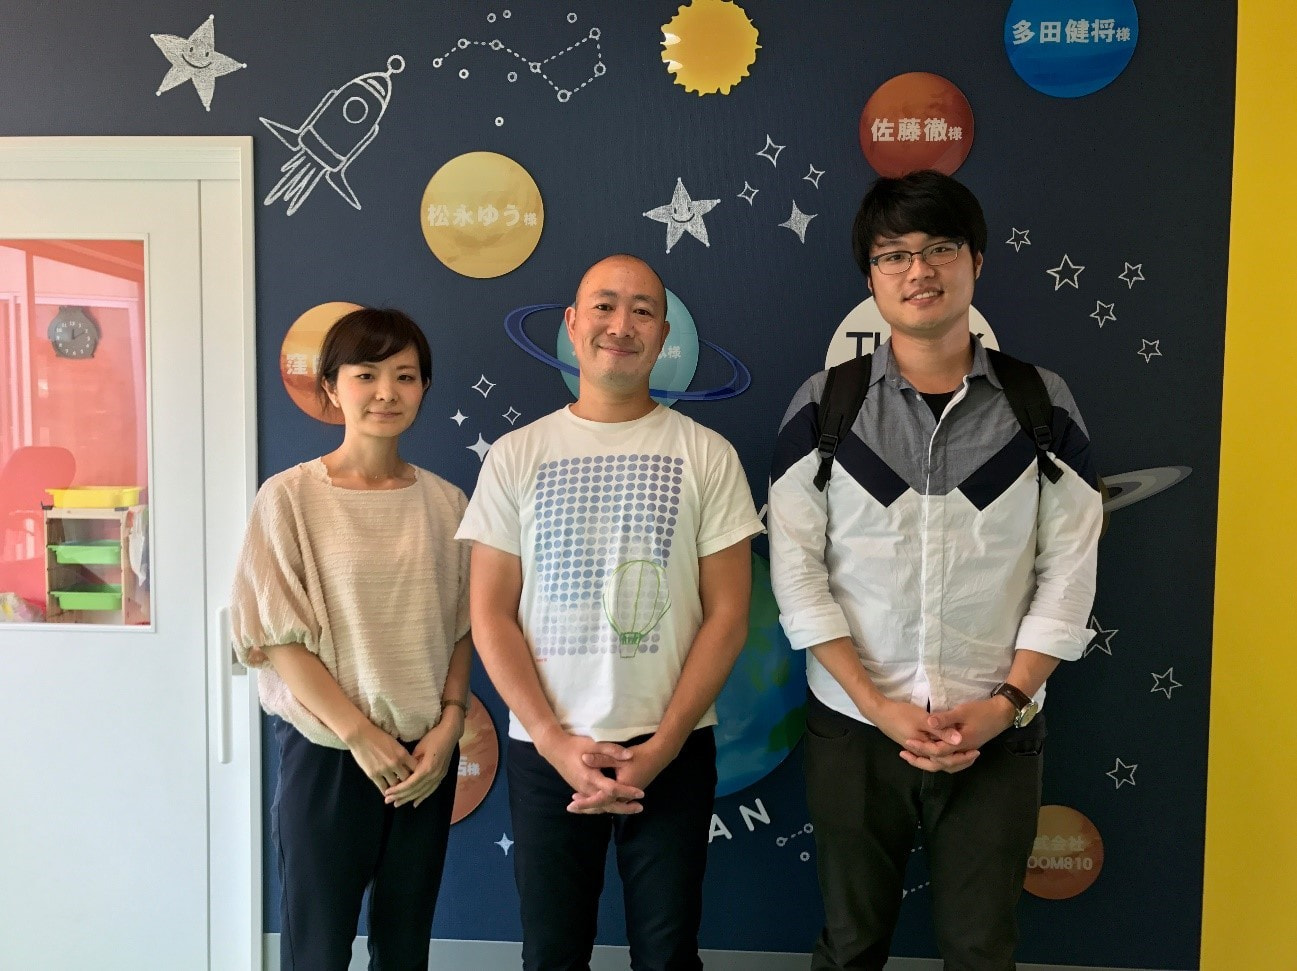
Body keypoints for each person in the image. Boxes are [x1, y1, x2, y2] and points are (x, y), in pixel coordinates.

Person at [768, 171, 1102, 970]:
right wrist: (873, 703)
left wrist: (1004, 704)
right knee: (850, 944)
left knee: (981, 948)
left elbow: (1068, 569)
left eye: (939, 248)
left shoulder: (1040, 403)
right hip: (853, 725)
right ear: (871, 278)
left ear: (975, 261)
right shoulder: (824, 405)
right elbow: (797, 573)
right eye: (893, 255)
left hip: (995, 727)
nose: (917, 270)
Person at [458, 254, 763, 971]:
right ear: (571, 324)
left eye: (642, 310)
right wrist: (552, 739)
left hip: (673, 747)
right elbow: (490, 613)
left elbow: (727, 616)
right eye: (603, 306)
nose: (620, 325)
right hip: (547, 749)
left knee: (667, 955)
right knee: (552, 954)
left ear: (664, 336)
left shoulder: (707, 455)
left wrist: (662, 746)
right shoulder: (516, 455)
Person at [230, 307, 472, 971]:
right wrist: (361, 735)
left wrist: (450, 725)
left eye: (405, 375)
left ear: (424, 387)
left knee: (405, 947)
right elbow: (277, 636)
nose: (386, 392)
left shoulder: (447, 503)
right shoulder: (288, 498)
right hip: (330, 753)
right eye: (366, 374)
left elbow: (461, 627)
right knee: (316, 948)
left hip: (423, 759)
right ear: (331, 387)